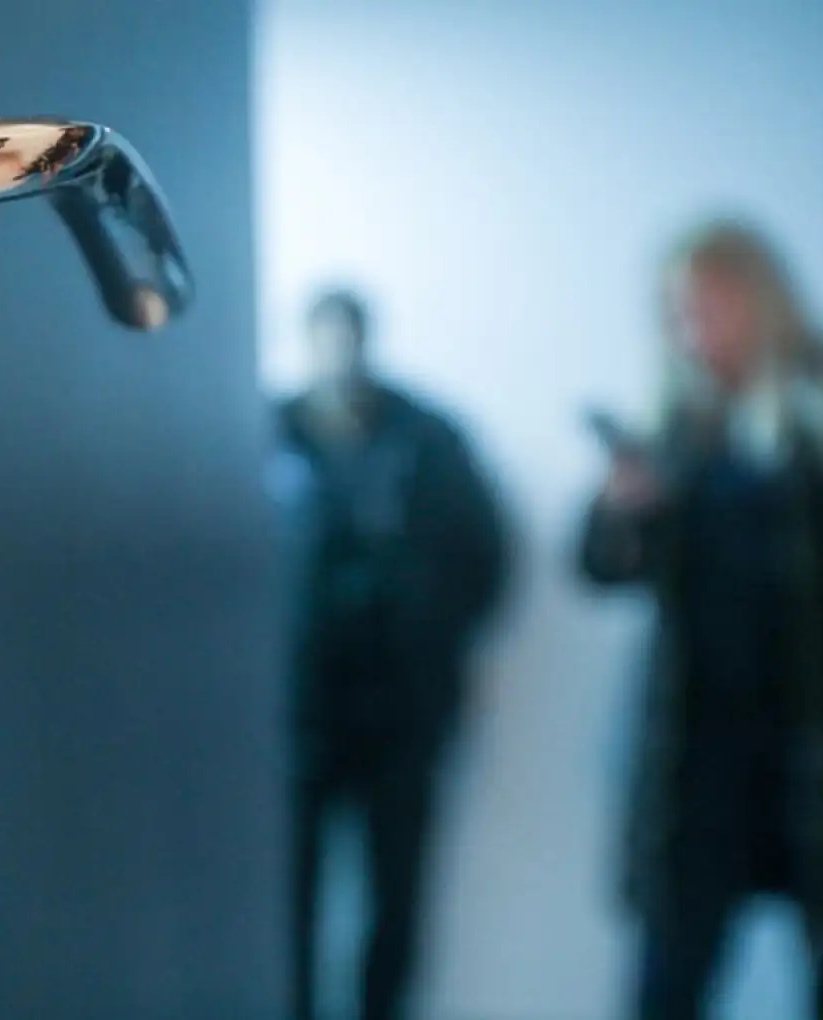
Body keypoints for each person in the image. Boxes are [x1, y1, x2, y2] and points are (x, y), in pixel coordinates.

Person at [577, 219, 823, 1020]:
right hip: (699, 766)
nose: (691, 328)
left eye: (706, 305)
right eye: (676, 311)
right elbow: (600, 566)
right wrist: (622, 508)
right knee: (667, 984)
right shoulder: (675, 424)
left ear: (759, 298)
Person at [279, 289, 508, 1020]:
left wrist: (443, 640)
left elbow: (487, 557)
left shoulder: (430, 440)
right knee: (283, 904)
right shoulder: (267, 431)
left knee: (397, 901)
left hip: (404, 713)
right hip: (294, 715)